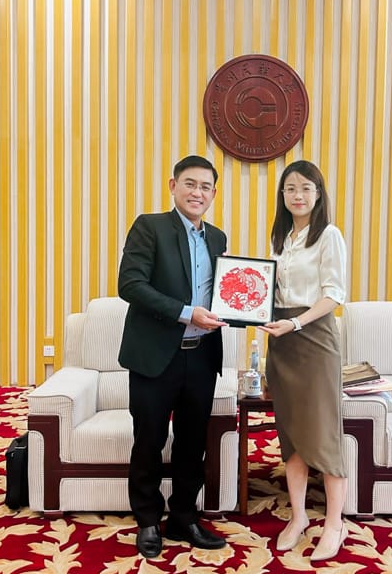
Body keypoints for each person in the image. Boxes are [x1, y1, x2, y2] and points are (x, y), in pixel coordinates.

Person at [118, 155, 228, 559]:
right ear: (173, 186)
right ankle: (148, 519)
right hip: (155, 355)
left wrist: (240, 309)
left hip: (201, 357)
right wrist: (186, 313)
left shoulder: (218, 238)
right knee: (149, 439)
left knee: (192, 443)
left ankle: (184, 517)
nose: (198, 193)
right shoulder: (150, 227)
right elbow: (130, 284)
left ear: (213, 194)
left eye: (205, 187)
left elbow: (223, 291)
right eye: (190, 184)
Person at [259, 160, 349, 562]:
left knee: (323, 433)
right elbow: (270, 291)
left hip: (313, 339)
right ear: (283, 195)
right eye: (291, 188)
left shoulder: (328, 235)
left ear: (318, 194)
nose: (298, 195)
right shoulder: (281, 238)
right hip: (282, 341)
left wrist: (295, 323)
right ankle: (298, 517)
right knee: (292, 434)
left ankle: (334, 524)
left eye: (306, 188)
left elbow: (334, 295)